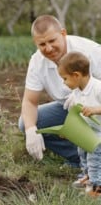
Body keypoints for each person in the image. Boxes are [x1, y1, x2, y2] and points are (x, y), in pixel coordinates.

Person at [18, 14, 101, 167]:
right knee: (26, 122)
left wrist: (83, 95)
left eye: (52, 41)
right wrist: (31, 130)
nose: (48, 48)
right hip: (69, 109)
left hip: (97, 109)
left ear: (63, 34)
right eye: (42, 44)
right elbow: (30, 101)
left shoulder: (90, 52)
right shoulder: (37, 62)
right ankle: (80, 159)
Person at [58, 52, 101, 197]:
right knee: (82, 154)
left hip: (98, 133)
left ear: (76, 75)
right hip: (86, 130)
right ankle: (87, 177)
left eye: (65, 78)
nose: (63, 82)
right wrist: (68, 129)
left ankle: (96, 189)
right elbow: (74, 114)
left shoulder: (97, 88)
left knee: (94, 159)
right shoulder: (76, 92)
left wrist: (95, 109)